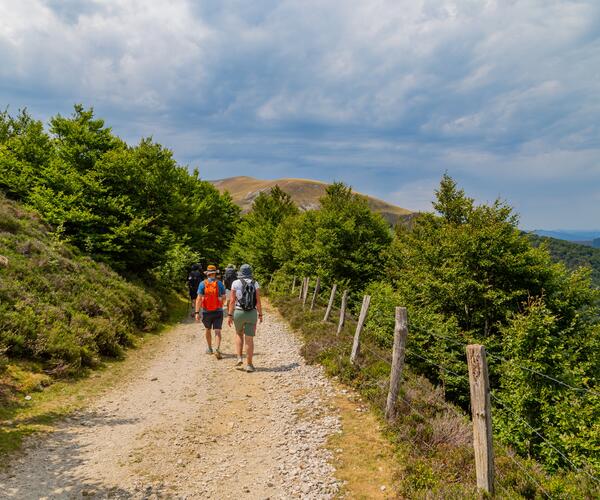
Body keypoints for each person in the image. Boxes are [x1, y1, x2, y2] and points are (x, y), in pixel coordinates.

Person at [227, 264, 263, 372]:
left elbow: (232, 301)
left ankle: (239, 358)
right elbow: (258, 301)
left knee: (239, 334)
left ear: (240, 273)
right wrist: (260, 314)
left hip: (239, 312)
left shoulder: (235, 283)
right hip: (251, 313)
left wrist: (229, 315)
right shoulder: (255, 283)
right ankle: (249, 365)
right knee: (249, 339)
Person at [195, 265, 226, 360]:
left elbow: (199, 299)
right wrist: (220, 304)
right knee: (217, 331)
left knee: (207, 329)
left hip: (206, 311)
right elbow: (224, 298)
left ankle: (209, 349)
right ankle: (217, 348)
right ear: (215, 273)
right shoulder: (220, 284)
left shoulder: (202, 284)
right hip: (218, 311)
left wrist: (197, 312)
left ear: (207, 274)